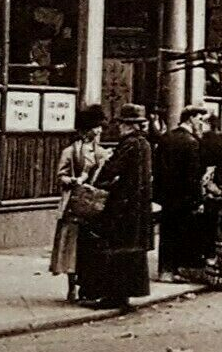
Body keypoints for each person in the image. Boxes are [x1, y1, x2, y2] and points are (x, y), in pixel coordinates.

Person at [79, 104, 155, 309]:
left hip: (123, 207)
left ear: (127, 125)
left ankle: (114, 296)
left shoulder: (129, 144)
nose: (119, 127)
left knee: (117, 250)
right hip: (138, 206)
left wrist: (103, 170)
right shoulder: (144, 144)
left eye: (121, 123)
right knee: (131, 252)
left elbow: (111, 171)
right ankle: (125, 294)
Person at [51, 105, 108, 302]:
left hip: (94, 204)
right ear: (87, 129)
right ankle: (71, 287)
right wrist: (72, 180)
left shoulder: (102, 152)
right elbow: (61, 176)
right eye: (96, 127)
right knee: (71, 246)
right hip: (73, 203)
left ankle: (88, 285)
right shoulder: (70, 152)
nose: (99, 131)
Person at [155, 106, 208, 281]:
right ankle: (177, 270)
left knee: (167, 232)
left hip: (166, 195)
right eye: (199, 119)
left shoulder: (166, 138)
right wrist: (198, 199)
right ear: (191, 118)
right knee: (181, 232)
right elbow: (193, 175)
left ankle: (165, 271)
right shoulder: (191, 142)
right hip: (185, 196)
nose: (201, 123)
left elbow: (157, 168)